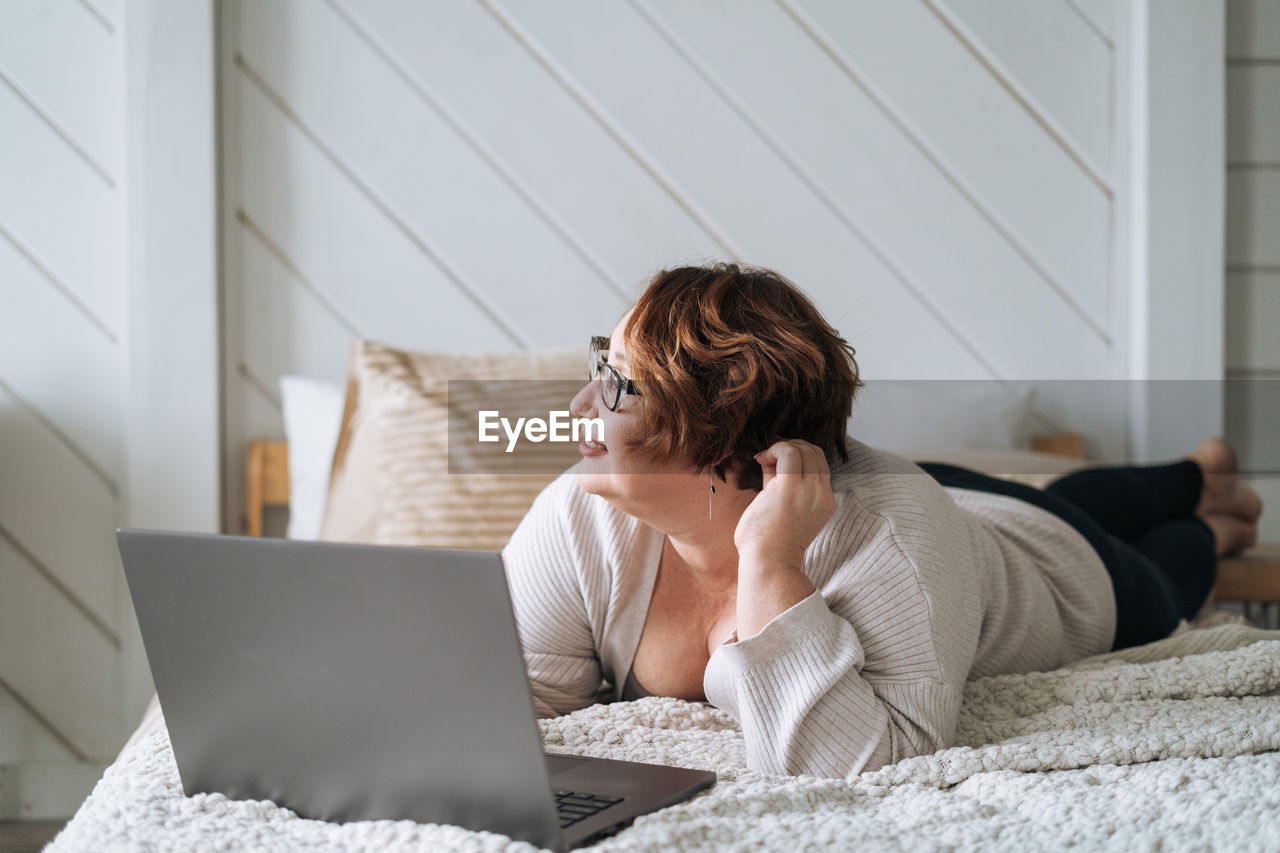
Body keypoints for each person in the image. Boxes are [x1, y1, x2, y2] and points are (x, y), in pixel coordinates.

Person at [501, 262, 1264, 780]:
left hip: (1059, 572)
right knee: (1061, 490)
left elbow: (874, 759)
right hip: (953, 506)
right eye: (602, 365)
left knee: (1164, 566)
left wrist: (772, 565)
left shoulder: (893, 535)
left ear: (723, 437)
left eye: (619, 385)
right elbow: (513, 696)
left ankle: (1209, 505)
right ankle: (1202, 478)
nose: (579, 407)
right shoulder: (581, 513)